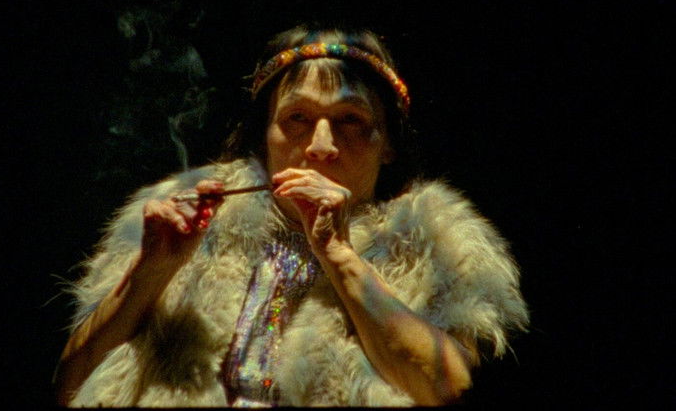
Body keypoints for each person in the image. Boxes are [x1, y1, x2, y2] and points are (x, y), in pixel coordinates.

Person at [54, 25, 529, 407]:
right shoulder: (186, 221)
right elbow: (71, 386)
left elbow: (450, 390)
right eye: (297, 118)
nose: (321, 146)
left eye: (350, 120)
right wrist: (150, 272)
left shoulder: (433, 242)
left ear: (387, 144)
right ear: (264, 136)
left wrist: (340, 256)